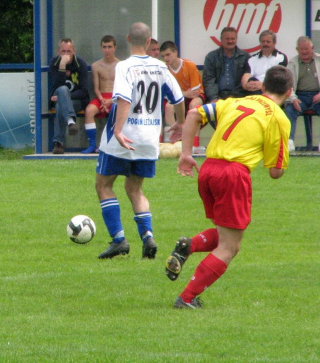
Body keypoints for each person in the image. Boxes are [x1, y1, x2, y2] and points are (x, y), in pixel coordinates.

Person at [166, 65, 293, 309]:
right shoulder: (278, 118)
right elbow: (275, 172)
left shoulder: (234, 101)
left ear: (263, 86)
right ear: (289, 92)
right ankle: (187, 297)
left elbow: (193, 115)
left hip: (209, 169)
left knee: (226, 232)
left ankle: (190, 245)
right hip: (233, 174)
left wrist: (185, 154)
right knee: (230, 246)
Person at [95, 22, 185, 260]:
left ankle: (118, 240)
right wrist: (181, 123)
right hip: (148, 139)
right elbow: (178, 98)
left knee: (103, 185)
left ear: (126, 39)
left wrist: (118, 131)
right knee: (135, 188)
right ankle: (147, 236)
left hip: (123, 137)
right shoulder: (161, 67)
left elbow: (123, 100)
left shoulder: (124, 66)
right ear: (149, 42)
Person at [160, 41, 207, 152]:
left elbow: (195, 92)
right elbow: (168, 93)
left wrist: (181, 93)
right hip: (179, 97)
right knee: (169, 107)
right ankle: (176, 141)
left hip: (194, 97)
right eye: (163, 56)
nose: (166, 58)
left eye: (168, 55)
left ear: (175, 52)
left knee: (194, 104)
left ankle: (195, 143)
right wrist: (184, 93)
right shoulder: (165, 69)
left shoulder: (189, 65)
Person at [49, 38, 90, 154]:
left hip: (77, 102)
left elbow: (83, 91)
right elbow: (58, 86)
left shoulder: (80, 64)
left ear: (74, 51)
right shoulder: (55, 63)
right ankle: (71, 121)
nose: (66, 54)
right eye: (63, 52)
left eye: (69, 51)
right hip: (60, 101)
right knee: (61, 91)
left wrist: (64, 97)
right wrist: (62, 65)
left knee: (61, 101)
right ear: (58, 52)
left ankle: (58, 143)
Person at [81, 35, 119, 154]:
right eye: (104, 47)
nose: (107, 50)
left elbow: (122, 88)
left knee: (120, 111)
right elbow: (96, 88)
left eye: (109, 47)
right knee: (89, 111)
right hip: (101, 97)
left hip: (116, 97)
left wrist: (111, 100)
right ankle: (92, 145)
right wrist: (102, 100)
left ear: (115, 48)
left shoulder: (121, 65)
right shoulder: (96, 65)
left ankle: (114, 145)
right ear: (101, 48)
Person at [284, 36, 320, 151]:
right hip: (300, 96)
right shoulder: (292, 63)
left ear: (312, 48)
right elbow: (288, 85)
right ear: (297, 49)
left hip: (318, 95)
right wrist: (293, 99)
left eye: (307, 49)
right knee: (290, 110)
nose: (304, 51)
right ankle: (289, 141)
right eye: (301, 49)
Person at [202, 27, 250, 103]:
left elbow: (245, 81)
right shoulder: (211, 57)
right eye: (227, 39)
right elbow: (209, 80)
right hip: (217, 97)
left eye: (232, 39)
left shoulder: (245, 57)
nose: (230, 41)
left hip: (238, 98)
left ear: (236, 39)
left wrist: (232, 98)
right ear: (221, 39)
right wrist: (214, 98)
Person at [241, 30, 288, 95]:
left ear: (274, 43)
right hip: (254, 91)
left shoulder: (281, 57)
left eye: (268, 42)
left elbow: (279, 79)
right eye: (263, 42)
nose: (265, 44)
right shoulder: (252, 59)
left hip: (273, 92)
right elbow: (247, 75)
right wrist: (245, 85)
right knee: (251, 80)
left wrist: (263, 85)